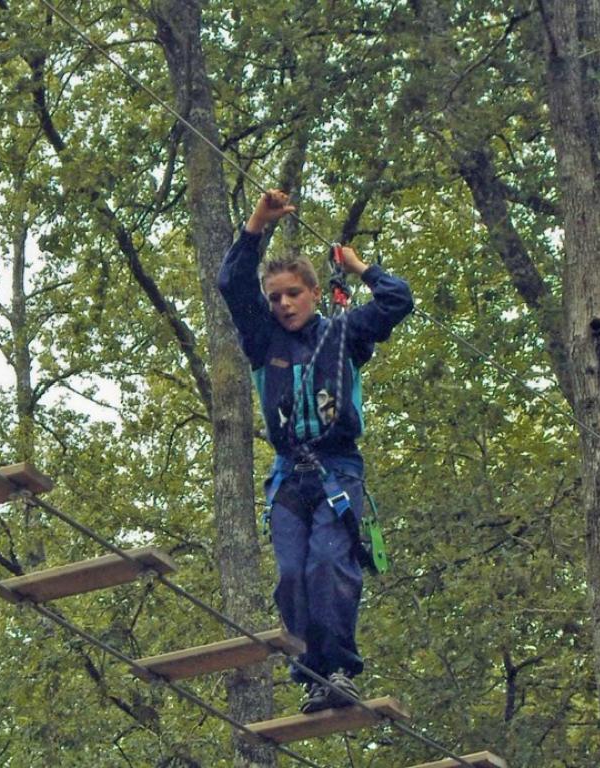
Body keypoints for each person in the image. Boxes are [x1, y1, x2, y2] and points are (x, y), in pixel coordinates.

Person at [217, 189, 413, 713]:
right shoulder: (264, 342)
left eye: (292, 295)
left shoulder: (344, 333)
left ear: (312, 293)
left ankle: (340, 670)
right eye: (275, 296)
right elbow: (232, 283)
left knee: (329, 562)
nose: (282, 305)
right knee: (291, 577)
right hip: (288, 476)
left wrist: (359, 266)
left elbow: (398, 301)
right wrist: (258, 222)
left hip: (336, 469)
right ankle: (312, 674)